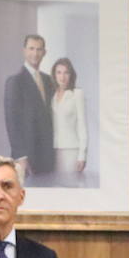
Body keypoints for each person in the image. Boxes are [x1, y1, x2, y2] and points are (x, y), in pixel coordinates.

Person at [3, 34, 55, 178]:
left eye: (39, 49)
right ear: (24, 51)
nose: (35, 53)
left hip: (48, 155)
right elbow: (12, 122)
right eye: (31, 48)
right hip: (27, 157)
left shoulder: (49, 80)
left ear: (44, 53)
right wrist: (21, 157)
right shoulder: (15, 82)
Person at [49, 57, 88, 187]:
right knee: (56, 188)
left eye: (66, 72)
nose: (62, 77)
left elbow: (82, 126)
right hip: (53, 150)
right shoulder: (52, 95)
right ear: (54, 75)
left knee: (71, 187)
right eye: (59, 72)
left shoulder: (77, 94)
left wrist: (82, 155)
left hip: (71, 150)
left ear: (71, 75)